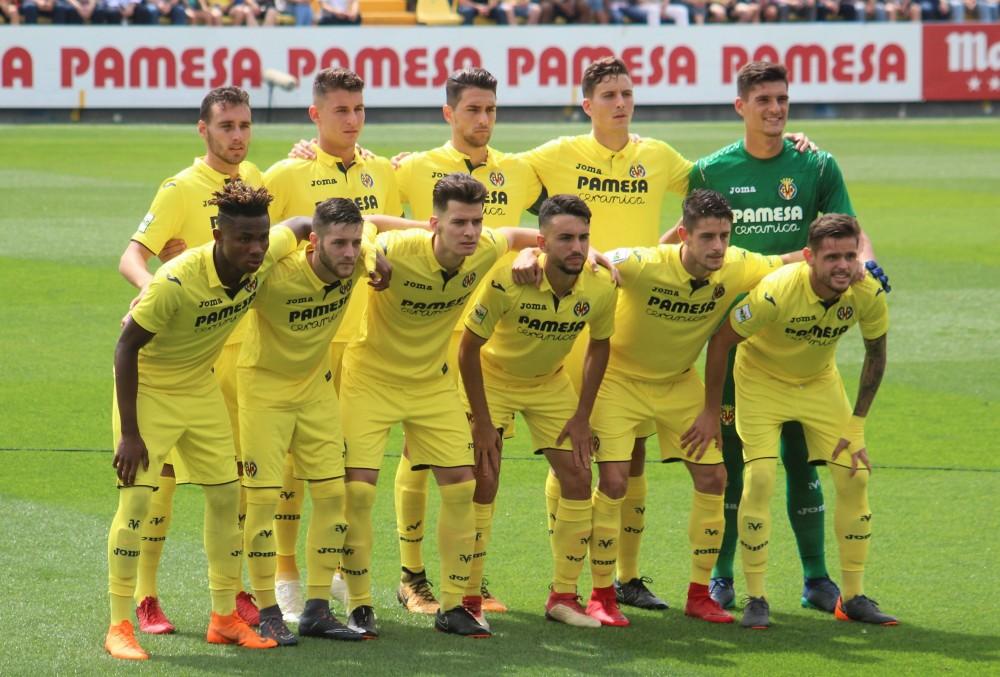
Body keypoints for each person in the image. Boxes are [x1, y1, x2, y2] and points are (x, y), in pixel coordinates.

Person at [661, 60, 887, 614]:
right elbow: (684, 234)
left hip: (806, 337)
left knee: (803, 462)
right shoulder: (712, 170)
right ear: (741, 106)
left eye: (782, 100)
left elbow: (850, 232)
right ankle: (722, 575)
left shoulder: (815, 164)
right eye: (763, 100)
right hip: (737, 337)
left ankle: (816, 580)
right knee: (737, 465)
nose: (776, 110)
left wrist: (870, 266)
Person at [105, 182, 312, 660]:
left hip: (200, 389)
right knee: (136, 502)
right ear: (218, 233)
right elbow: (125, 348)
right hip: (151, 391)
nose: (256, 248)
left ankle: (223, 617)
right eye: (244, 238)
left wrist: (365, 253)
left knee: (226, 496)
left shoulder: (264, 250)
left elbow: (301, 226)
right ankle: (118, 624)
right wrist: (131, 434)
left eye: (261, 236)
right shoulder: (176, 280)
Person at [337, 173, 540, 638]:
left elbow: (521, 235)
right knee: (359, 491)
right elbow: (364, 222)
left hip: (431, 382)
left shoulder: (485, 246)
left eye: (475, 221)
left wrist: (536, 250)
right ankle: (361, 605)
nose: (469, 232)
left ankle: (453, 607)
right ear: (434, 224)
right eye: (458, 223)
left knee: (460, 486)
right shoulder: (399, 250)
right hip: (371, 379)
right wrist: (369, 255)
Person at [585, 189, 795, 626]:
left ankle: (700, 594)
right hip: (619, 381)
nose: (718, 246)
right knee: (614, 480)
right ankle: (601, 594)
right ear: (684, 234)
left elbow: (793, 261)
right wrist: (575, 253)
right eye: (707, 237)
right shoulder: (644, 263)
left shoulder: (737, 264)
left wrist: (853, 264)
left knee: (714, 476)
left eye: (724, 235)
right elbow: (593, 253)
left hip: (679, 382)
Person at [687, 213, 897, 629]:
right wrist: (712, 409)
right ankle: (757, 598)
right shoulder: (776, 291)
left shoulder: (867, 292)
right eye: (832, 257)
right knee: (761, 478)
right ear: (809, 257)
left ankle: (852, 598)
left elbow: (876, 353)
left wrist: (857, 425)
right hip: (761, 380)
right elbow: (723, 339)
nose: (843, 266)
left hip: (819, 383)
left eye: (850, 256)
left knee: (855, 476)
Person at [116, 86, 263, 636]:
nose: (237, 136)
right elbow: (132, 254)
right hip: (176, 354)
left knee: (233, 483)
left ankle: (231, 593)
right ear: (204, 130)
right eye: (226, 126)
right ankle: (146, 597)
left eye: (244, 125)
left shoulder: (254, 184)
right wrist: (152, 286)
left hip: (233, 355)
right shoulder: (181, 188)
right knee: (162, 483)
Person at [263, 67, 402, 623]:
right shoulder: (286, 173)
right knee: (296, 466)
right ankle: (284, 575)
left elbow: (386, 230)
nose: (352, 120)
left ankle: (337, 569)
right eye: (340, 110)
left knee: (344, 462)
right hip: (302, 341)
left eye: (359, 109)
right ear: (314, 115)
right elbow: (261, 252)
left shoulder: (381, 171)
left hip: (362, 339)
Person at [458, 194, 617, 629]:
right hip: (493, 380)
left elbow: (600, 345)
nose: (577, 247)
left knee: (580, 475)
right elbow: (468, 348)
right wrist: (484, 423)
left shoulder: (600, 286)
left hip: (550, 383)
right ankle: (469, 598)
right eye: (565, 238)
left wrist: (582, 415)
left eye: (584, 237)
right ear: (542, 241)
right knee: (486, 477)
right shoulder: (508, 280)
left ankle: (563, 596)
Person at [236, 198, 389, 645]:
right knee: (262, 503)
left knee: (332, 495)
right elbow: (228, 275)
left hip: (317, 391)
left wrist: (375, 250)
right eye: (338, 243)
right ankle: (267, 611)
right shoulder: (274, 274)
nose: (348, 252)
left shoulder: (362, 259)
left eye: (354, 243)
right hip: (264, 391)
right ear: (314, 242)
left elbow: (378, 226)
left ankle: (318, 608)